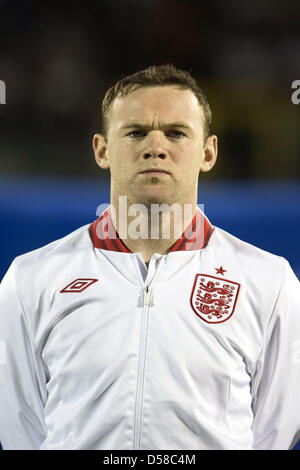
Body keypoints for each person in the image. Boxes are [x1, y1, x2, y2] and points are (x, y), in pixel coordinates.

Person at [0, 64, 299, 450]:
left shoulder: (270, 283)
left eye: (176, 133)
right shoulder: (30, 280)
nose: (155, 146)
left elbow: (274, 433)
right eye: (136, 132)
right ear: (102, 150)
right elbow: (20, 428)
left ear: (208, 152)